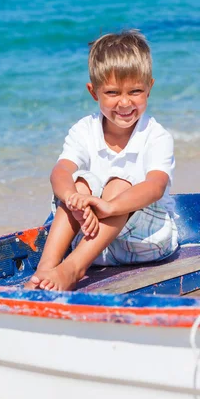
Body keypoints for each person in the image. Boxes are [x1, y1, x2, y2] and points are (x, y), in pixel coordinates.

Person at [27, 30, 178, 291]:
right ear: (94, 92)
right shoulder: (84, 130)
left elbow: (156, 186)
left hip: (146, 242)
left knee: (121, 182)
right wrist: (74, 200)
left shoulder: (156, 136)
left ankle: (72, 269)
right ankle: (46, 268)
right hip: (94, 245)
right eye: (112, 92)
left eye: (135, 91)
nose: (124, 102)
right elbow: (60, 172)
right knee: (79, 183)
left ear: (149, 88)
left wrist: (111, 207)